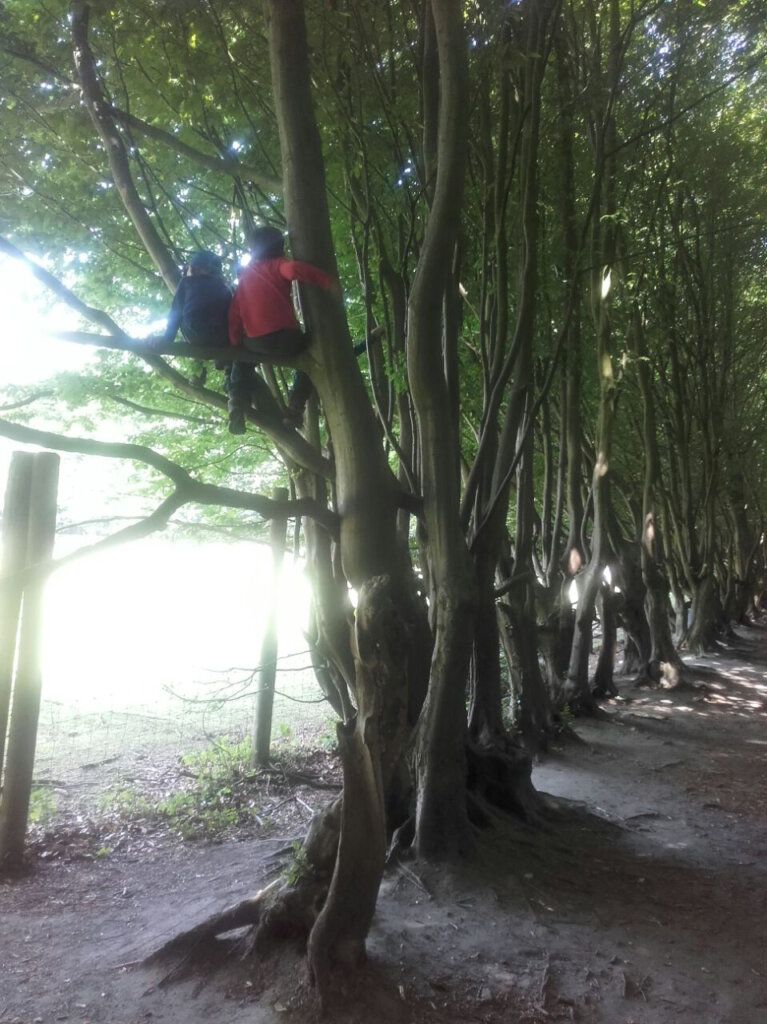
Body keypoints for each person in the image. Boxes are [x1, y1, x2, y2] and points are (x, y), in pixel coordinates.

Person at [226, 225, 337, 434]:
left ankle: (236, 402)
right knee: (310, 359)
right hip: (288, 339)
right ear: (279, 246)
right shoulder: (278, 264)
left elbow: (234, 314)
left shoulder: (244, 278)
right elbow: (294, 270)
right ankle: (295, 409)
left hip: (256, 342)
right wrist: (327, 282)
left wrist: (235, 344)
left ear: (253, 250)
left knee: (242, 362)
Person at [162, 250, 231, 348]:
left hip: (196, 334)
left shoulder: (187, 282)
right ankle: (223, 361)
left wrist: (167, 339)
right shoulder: (225, 289)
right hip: (221, 338)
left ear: (194, 268)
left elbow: (176, 312)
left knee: (183, 315)